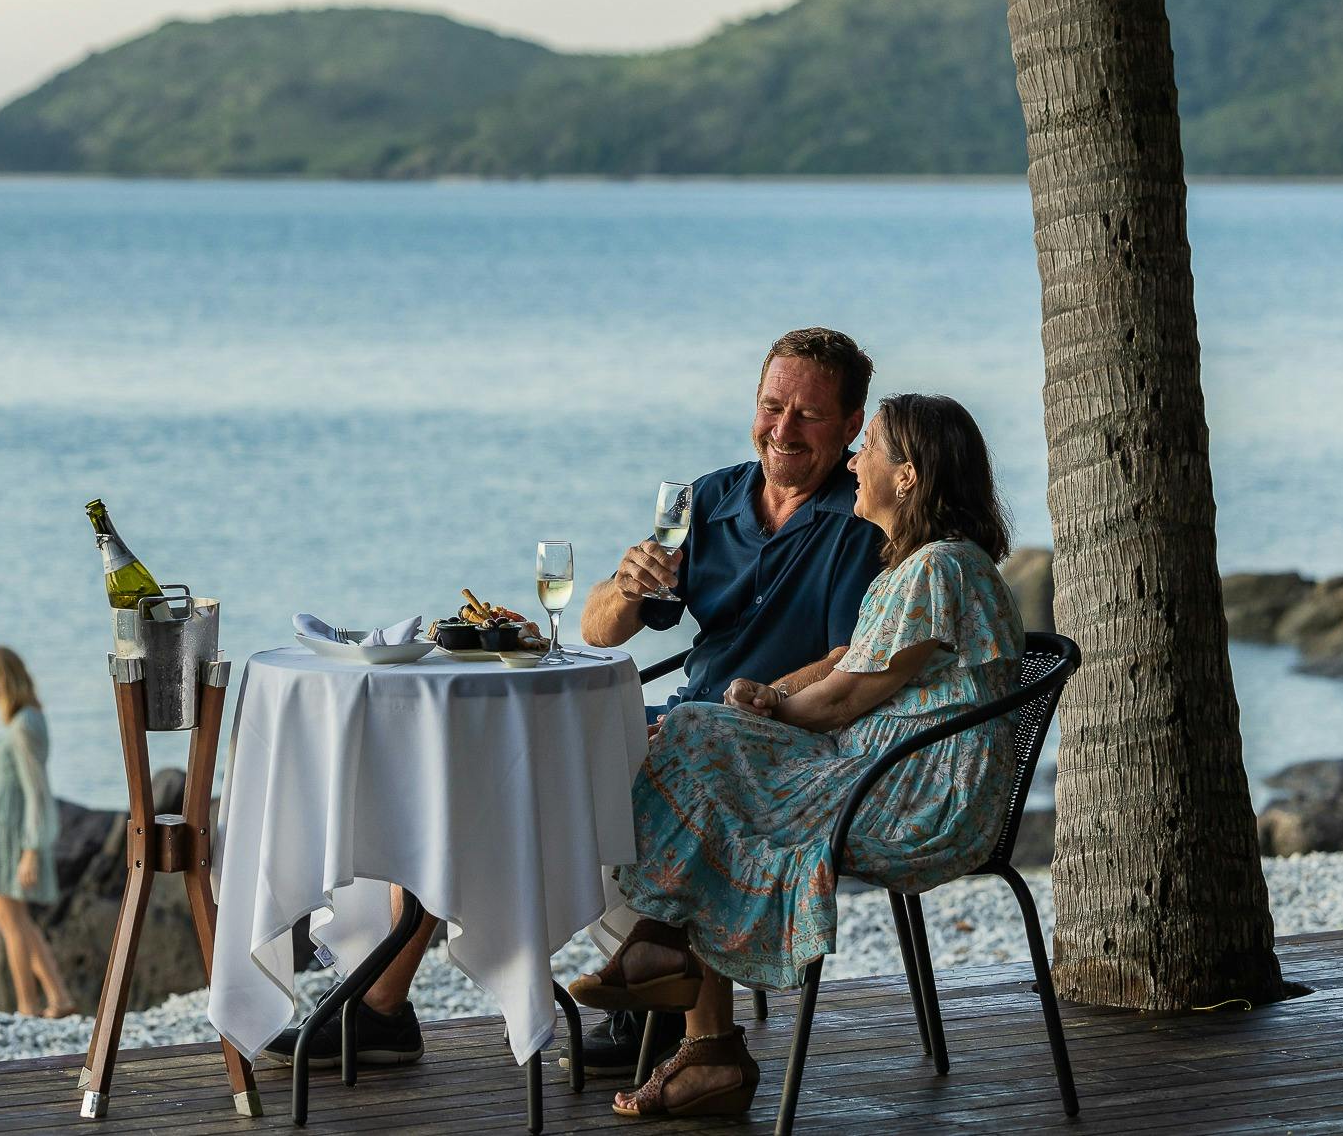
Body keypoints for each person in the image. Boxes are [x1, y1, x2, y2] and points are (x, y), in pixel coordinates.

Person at [268, 328, 885, 1076]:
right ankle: (388, 1004)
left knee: (525, 781)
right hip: (678, 721)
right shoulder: (711, 495)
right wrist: (627, 587)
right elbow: (600, 631)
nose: (782, 431)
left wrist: (760, 700)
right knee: (467, 761)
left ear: (852, 424)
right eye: (771, 407)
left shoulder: (864, 516)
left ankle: (416, 1006)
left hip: (777, 744)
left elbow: (857, 661)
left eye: (809, 415)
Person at [567, 393, 1023, 1118]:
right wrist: (759, 705)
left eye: (866, 446)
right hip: (872, 773)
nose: (852, 461)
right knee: (696, 735)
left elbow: (845, 698)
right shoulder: (918, 565)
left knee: (697, 740)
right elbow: (851, 694)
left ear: (907, 477)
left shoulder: (938, 569)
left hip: (911, 798)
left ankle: (685, 997)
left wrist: (769, 703)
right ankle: (681, 996)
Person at [0, 646, 76, 1018]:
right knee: (17, 920)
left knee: (11, 921)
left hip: (15, 833)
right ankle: (58, 997)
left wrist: (32, 847)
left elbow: (37, 789)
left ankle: (27, 1004)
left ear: (5, 679)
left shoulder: (25, 724)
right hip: (7, 829)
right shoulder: (25, 719)